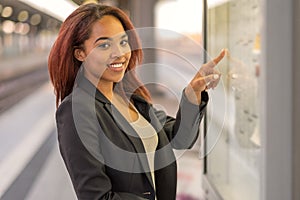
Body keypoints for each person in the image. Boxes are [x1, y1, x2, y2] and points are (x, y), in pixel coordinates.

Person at [48, 3, 225, 200]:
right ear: (80, 53)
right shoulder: (76, 110)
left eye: (123, 42)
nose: (119, 53)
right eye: (104, 45)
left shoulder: (132, 100)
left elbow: (180, 138)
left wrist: (193, 94)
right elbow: (96, 196)